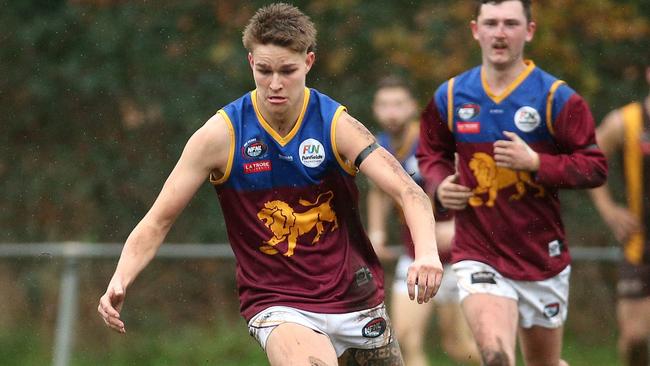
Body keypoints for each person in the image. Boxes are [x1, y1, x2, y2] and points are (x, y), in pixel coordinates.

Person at [97, 3, 444, 366]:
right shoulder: (222, 135)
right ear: (251, 63)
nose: (275, 83)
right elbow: (158, 220)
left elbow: (409, 191)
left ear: (309, 62)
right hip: (279, 304)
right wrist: (120, 278)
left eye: (287, 71)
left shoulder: (335, 125)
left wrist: (427, 253)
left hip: (355, 299)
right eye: (264, 70)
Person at [416, 1, 608, 365]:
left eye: (510, 23)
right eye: (491, 23)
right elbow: (430, 153)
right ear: (476, 30)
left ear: (529, 30)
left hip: (540, 254)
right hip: (479, 249)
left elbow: (595, 167)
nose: (499, 33)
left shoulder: (556, 98)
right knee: (495, 356)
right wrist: (440, 185)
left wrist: (537, 162)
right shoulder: (453, 95)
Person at [366, 75, 479, 366]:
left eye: (398, 104)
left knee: (459, 346)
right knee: (404, 339)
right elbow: (378, 192)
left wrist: (458, 225)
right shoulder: (379, 146)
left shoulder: (433, 142)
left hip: (459, 257)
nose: (391, 112)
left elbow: (477, 183)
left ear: (412, 108)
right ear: (375, 109)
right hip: (415, 256)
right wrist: (377, 233)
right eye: (384, 105)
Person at [589, 64, 650, 366]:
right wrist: (609, 209)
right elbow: (591, 157)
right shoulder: (626, 121)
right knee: (635, 338)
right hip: (639, 244)